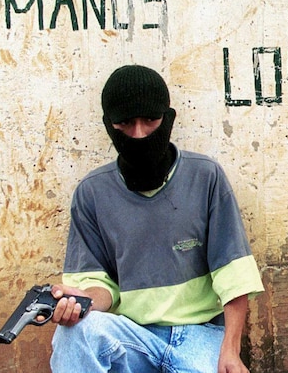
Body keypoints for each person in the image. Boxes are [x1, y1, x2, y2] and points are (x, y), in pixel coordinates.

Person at [47, 64, 264, 373]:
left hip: (200, 336)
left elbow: (233, 274)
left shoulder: (205, 177)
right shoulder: (92, 193)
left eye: (150, 120)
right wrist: (82, 303)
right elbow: (98, 285)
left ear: (168, 118)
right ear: (110, 125)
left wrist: (230, 350)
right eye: (126, 123)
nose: (139, 134)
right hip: (132, 336)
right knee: (75, 333)